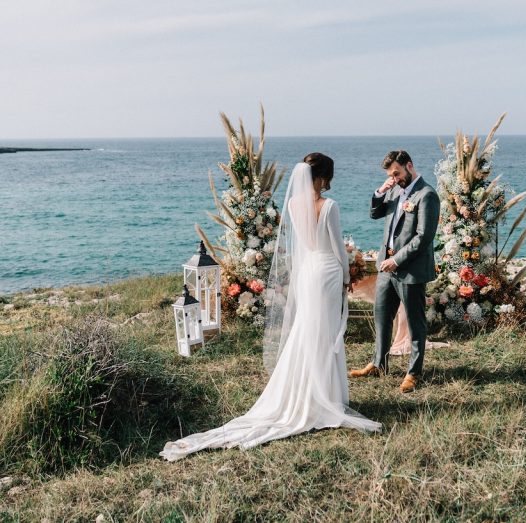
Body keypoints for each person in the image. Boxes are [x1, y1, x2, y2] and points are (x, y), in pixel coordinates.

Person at [160, 153, 381, 461]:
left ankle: (309, 392)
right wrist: (347, 275)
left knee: (308, 330)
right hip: (328, 271)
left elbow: (302, 245)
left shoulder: (293, 205)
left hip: (307, 274)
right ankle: (324, 397)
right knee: (325, 333)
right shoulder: (329, 207)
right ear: (323, 178)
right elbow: (335, 248)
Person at [349, 150, 440, 393]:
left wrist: (397, 260)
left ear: (410, 165)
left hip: (409, 269)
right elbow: (374, 213)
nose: (395, 178)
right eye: (391, 174)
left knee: (415, 321)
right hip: (385, 268)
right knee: (381, 316)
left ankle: (414, 372)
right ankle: (379, 364)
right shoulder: (393, 190)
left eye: (397, 173)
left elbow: (424, 237)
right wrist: (381, 190)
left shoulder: (427, 195)